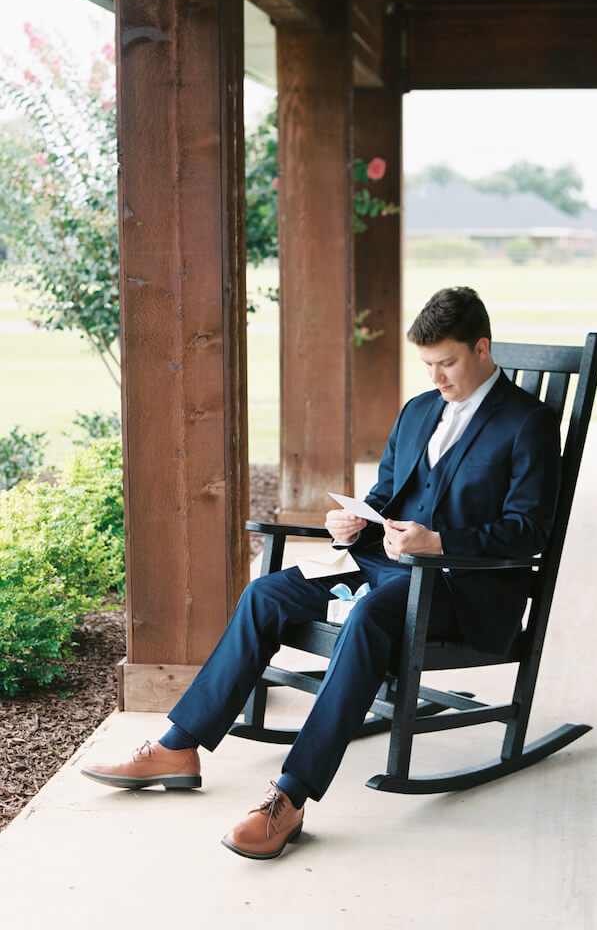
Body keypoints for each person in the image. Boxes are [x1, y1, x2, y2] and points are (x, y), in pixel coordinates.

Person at [81, 286, 561, 860]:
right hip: (387, 566)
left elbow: (530, 530)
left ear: (482, 349)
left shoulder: (527, 423)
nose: (437, 378)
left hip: (463, 588)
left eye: (448, 363)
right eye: (428, 364)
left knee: (369, 616)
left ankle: (290, 796)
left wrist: (439, 541)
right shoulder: (418, 412)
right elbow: (387, 493)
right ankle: (177, 746)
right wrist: (353, 521)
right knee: (266, 595)